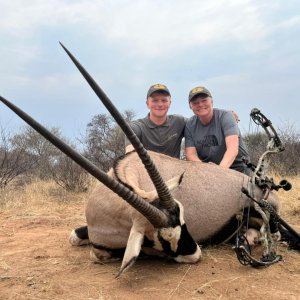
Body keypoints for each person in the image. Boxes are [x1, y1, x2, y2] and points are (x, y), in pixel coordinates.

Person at [184, 86, 250, 174]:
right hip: (208, 171)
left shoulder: (226, 116)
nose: (200, 104)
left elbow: (232, 149)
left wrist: (218, 172)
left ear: (212, 101)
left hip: (236, 169)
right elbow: (190, 154)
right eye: (195, 102)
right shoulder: (190, 124)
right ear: (190, 106)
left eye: (204, 100)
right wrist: (204, 169)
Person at [125, 84, 185, 158]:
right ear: (147, 104)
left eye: (164, 100)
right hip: (145, 169)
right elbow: (130, 154)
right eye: (155, 100)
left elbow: (198, 125)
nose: (160, 104)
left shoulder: (179, 122)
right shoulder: (136, 127)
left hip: (176, 169)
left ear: (170, 103)